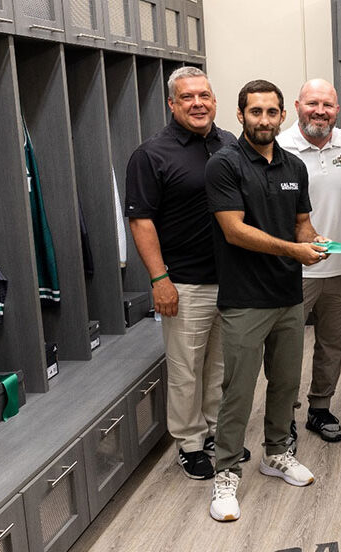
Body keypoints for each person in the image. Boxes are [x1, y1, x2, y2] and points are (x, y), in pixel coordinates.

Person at [206, 80, 330, 522]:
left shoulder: (294, 166)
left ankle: (276, 452)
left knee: (285, 383)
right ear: (240, 115)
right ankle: (225, 472)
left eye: (271, 112)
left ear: (283, 116)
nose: (264, 120)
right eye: (255, 112)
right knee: (237, 390)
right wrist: (294, 250)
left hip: (287, 297)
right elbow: (234, 231)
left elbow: (302, 225)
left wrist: (315, 243)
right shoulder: (224, 165)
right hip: (244, 300)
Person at [125, 66, 249, 480]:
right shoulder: (150, 155)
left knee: (219, 366)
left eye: (205, 96)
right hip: (184, 281)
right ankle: (190, 443)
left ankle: (214, 431)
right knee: (184, 370)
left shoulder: (229, 143)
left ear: (215, 101)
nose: (198, 104)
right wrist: (160, 280)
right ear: (172, 104)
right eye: (188, 97)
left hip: (230, 278)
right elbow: (141, 221)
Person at [277, 79, 341, 443]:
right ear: (297, 106)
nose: (320, 111)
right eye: (312, 103)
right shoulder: (279, 146)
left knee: (332, 345)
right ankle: (283, 416)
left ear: (337, 109)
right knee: (286, 349)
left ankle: (319, 408)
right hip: (292, 270)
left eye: (328, 105)